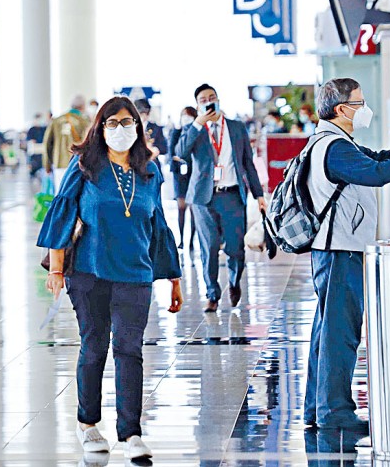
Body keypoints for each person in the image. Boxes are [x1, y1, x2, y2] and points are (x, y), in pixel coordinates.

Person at [37, 96, 183, 460]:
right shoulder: (85, 165)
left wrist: (174, 277)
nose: (121, 129)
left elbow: (158, 225)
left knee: (130, 350)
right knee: (94, 346)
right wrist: (56, 270)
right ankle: (87, 424)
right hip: (90, 273)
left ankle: (131, 433)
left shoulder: (150, 168)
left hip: (136, 273)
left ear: (138, 125)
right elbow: (63, 212)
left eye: (127, 121)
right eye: (112, 123)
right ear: (100, 128)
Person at [302, 78, 390, 434]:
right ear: (340, 110)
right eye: (359, 103)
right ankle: (336, 413)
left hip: (335, 252)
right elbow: (377, 173)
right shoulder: (334, 147)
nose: (364, 109)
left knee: (327, 332)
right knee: (340, 334)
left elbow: (376, 158)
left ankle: (317, 408)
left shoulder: (336, 143)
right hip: (339, 252)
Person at [176, 84, 266, 312]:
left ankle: (234, 283)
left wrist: (259, 195)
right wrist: (198, 123)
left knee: (236, 248)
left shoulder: (235, 128)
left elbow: (247, 163)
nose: (208, 101)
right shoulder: (194, 129)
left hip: (232, 195)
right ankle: (212, 294)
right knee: (209, 247)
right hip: (203, 198)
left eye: (212, 97)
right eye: (203, 99)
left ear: (218, 100)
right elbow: (181, 152)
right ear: (198, 105)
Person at [44, 95, 91, 191]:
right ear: (83, 106)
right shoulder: (84, 121)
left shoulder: (56, 121)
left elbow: (47, 144)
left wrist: (47, 165)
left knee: (60, 193)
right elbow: (89, 143)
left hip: (59, 163)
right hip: (78, 164)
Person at [168, 106, 198, 252]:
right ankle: (181, 239)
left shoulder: (197, 132)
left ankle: (191, 241)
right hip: (179, 176)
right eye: (183, 115)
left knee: (193, 209)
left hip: (193, 174)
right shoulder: (176, 132)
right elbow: (171, 154)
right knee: (181, 208)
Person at [25, 113, 48, 178]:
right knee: (34, 164)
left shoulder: (44, 129)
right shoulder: (32, 129)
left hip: (42, 149)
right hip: (34, 150)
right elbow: (28, 138)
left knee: (42, 163)